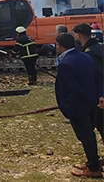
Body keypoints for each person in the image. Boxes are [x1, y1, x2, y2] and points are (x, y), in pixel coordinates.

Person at [54, 33, 103, 178]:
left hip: (77, 106)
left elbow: (74, 88)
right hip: (91, 104)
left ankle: (93, 168)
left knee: (86, 136)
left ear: (60, 45)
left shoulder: (66, 64)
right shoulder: (85, 57)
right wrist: (98, 97)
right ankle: (92, 162)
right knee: (89, 134)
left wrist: (94, 100)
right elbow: (97, 77)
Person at [72, 23, 104, 147]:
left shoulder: (89, 53)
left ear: (78, 35)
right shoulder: (99, 47)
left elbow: (98, 75)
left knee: (101, 125)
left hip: (99, 95)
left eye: (75, 35)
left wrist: (100, 96)